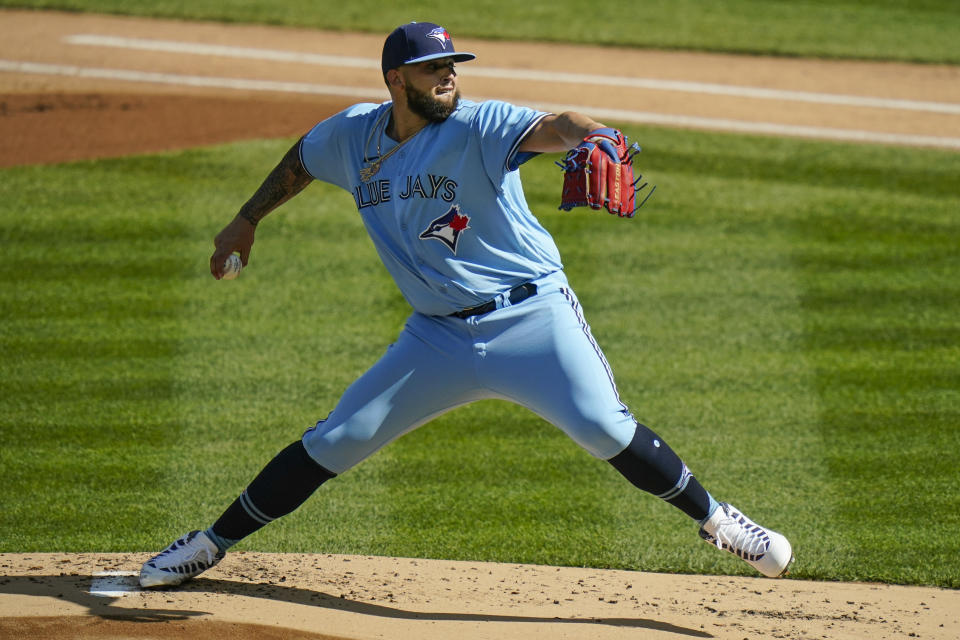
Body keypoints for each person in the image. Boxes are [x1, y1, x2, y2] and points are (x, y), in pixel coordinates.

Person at [139, 21, 792, 589]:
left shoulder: (482, 126)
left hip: (532, 320)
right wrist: (246, 220)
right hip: (436, 339)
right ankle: (208, 544)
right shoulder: (351, 136)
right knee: (339, 439)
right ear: (398, 78)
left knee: (603, 427)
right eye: (433, 69)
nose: (448, 77)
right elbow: (300, 162)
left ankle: (720, 521)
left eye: (452, 66)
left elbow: (557, 125)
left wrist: (595, 135)